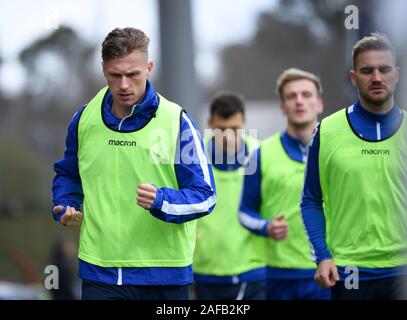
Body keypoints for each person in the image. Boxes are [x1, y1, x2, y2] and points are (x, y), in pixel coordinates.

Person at [51, 27, 216, 300]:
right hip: (99, 271)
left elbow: (206, 196)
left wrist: (162, 200)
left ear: (149, 67)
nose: (124, 85)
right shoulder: (83, 120)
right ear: (103, 69)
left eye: (133, 74)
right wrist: (67, 203)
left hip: (163, 274)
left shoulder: (177, 121)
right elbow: (68, 174)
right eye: (116, 75)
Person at [301, 32, 407, 300]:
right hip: (350, 272)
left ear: (396, 74)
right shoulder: (326, 131)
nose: (377, 78)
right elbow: (310, 200)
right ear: (353, 77)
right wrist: (322, 257)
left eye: (384, 70)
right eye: (367, 70)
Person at [239, 68, 330, 300]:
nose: (299, 101)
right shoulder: (259, 154)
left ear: (319, 104)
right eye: (291, 96)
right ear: (282, 107)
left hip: (329, 270)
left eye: (306, 95)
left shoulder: (336, 152)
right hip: (279, 276)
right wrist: (266, 227)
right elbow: (244, 212)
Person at [193, 93, 266, 300]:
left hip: (253, 269)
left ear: (243, 122)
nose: (227, 137)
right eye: (221, 129)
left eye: (234, 129)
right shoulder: (195, 155)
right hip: (206, 271)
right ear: (209, 123)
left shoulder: (260, 152)